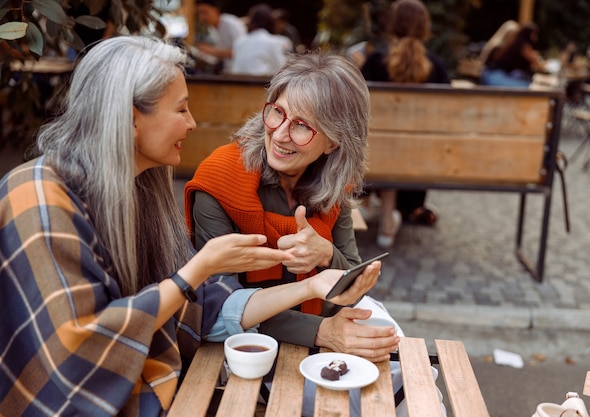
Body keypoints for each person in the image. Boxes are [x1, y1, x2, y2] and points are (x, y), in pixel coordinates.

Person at [0, 35, 381, 417]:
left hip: (165, 381)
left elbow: (209, 307)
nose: (193, 123)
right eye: (181, 109)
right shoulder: (35, 196)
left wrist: (316, 278)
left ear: (332, 144)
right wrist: (197, 270)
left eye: (302, 126)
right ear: (131, 119)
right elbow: (76, 348)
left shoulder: (141, 189)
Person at [185, 53, 423, 416]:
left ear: (332, 142)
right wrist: (324, 332)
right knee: (341, 400)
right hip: (249, 341)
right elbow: (220, 307)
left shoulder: (333, 182)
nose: (279, 134)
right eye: (277, 112)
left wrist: (325, 254)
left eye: (301, 126)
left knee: (404, 371)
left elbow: (352, 281)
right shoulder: (220, 179)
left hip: (322, 320)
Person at [360, 0, 449, 248]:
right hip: (417, 161)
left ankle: (370, 206)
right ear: (424, 27)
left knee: (377, 140)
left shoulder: (376, 61)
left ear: (392, 25)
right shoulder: (436, 67)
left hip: (372, 157)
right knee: (397, 146)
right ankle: (388, 219)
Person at [231, 3, 290, 76]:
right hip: (258, 84)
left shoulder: (239, 41)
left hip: (235, 83)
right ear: (270, 22)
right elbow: (280, 68)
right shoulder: (273, 42)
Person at [481, 22, 546, 87]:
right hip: (495, 75)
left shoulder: (516, 44)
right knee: (526, 87)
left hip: (497, 74)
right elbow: (536, 62)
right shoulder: (521, 45)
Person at [193, 0, 246, 73]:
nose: (202, 17)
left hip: (240, 73)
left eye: (205, 12)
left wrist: (212, 51)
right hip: (227, 72)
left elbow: (243, 51)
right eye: (199, 13)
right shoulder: (212, 29)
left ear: (216, 10)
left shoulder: (231, 24)